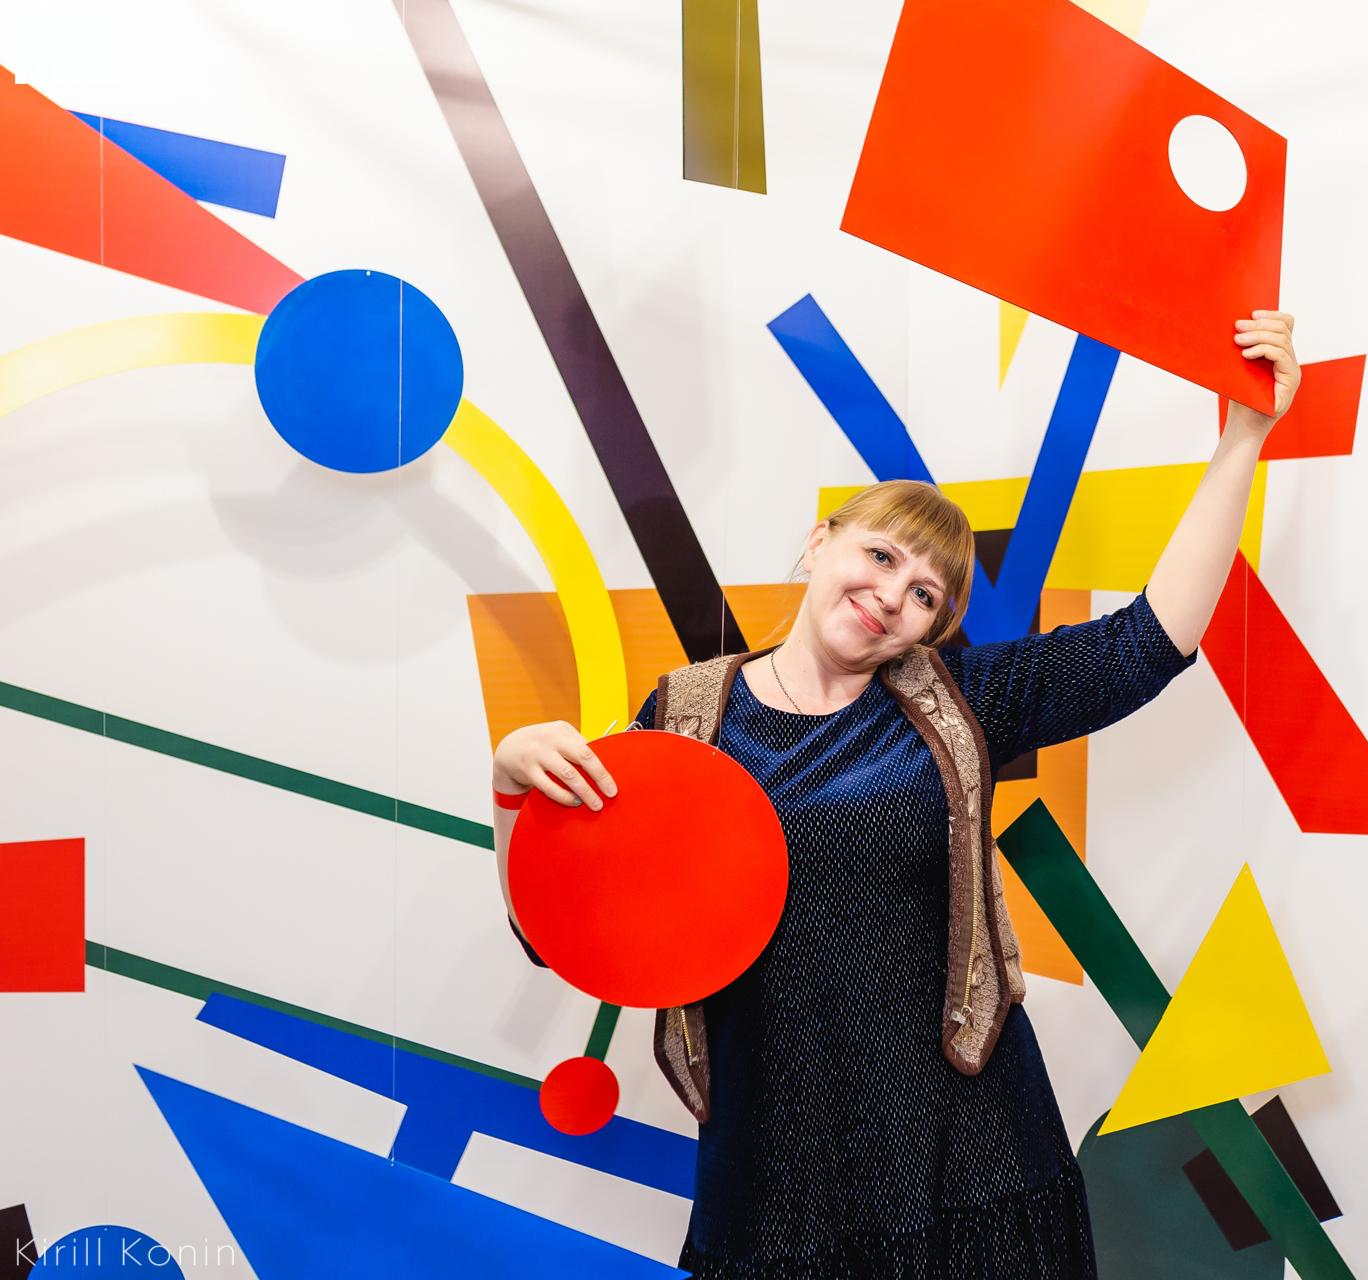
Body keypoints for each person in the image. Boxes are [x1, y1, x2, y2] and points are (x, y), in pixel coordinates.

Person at [491, 312, 1301, 1279]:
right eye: (881, 557)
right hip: (776, 1168)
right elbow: (558, 935)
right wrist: (509, 790)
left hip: (968, 1147)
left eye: (925, 594)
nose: (892, 595)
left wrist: (1243, 439)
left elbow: (1147, 644)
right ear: (819, 543)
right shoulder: (684, 715)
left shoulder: (958, 700)